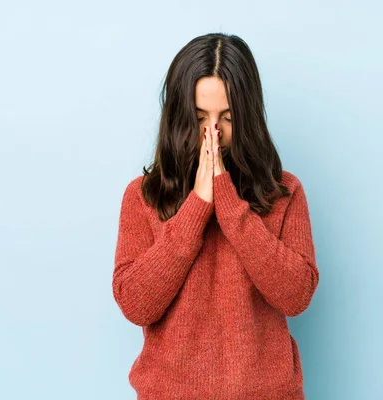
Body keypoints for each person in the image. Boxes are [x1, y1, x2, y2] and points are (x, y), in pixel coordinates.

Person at [112, 32, 320, 399]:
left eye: (227, 117)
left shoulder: (285, 192)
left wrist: (227, 201)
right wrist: (197, 206)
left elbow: (296, 296)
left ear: (248, 116)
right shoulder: (142, 196)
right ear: (179, 117)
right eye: (199, 117)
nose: (214, 133)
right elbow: (136, 303)